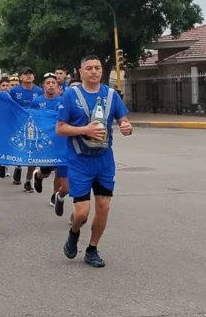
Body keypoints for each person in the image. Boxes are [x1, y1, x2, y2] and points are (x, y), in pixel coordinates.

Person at [56, 55, 133, 268]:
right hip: (80, 160)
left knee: (104, 206)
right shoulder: (71, 95)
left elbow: (123, 121)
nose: (94, 72)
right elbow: (60, 128)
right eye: (89, 68)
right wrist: (85, 130)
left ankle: (92, 249)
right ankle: (74, 232)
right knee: (81, 212)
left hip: (104, 160)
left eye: (97, 68)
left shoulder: (111, 95)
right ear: (81, 72)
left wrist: (127, 127)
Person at [30, 72, 68, 215]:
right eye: (48, 83)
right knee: (46, 171)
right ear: (43, 86)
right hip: (44, 141)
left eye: (54, 83)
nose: (51, 85)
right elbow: (32, 121)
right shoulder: (37, 102)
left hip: (60, 140)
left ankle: (55, 195)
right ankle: (38, 176)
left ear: (58, 87)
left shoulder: (63, 101)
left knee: (60, 170)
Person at [9, 67, 44, 192]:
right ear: (21, 77)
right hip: (18, 124)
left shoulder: (39, 91)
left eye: (31, 73)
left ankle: (28, 181)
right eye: (26, 74)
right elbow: (9, 106)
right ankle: (18, 166)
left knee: (32, 152)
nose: (29, 76)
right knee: (19, 148)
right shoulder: (14, 91)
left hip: (34, 126)